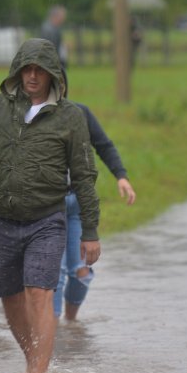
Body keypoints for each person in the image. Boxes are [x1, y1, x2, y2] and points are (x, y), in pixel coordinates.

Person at [0, 38, 100, 373]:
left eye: (40, 70)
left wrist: (91, 232)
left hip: (46, 220)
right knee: (10, 299)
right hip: (2, 220)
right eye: (26, 69)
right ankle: (33, 358)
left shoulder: (70, 117)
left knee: (40, 292)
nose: (32, 76)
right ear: (17, 71)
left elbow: (84, 175)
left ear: (53, 75)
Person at [54, 73, 136, 321]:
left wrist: (121, 176)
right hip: (49, 206)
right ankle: (51, 335)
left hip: (78, 204)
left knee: (81, 271)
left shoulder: (81, 113)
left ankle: (71, 324)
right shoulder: (31, 118)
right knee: (53, 275)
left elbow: (104, 145)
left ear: (64, 86)